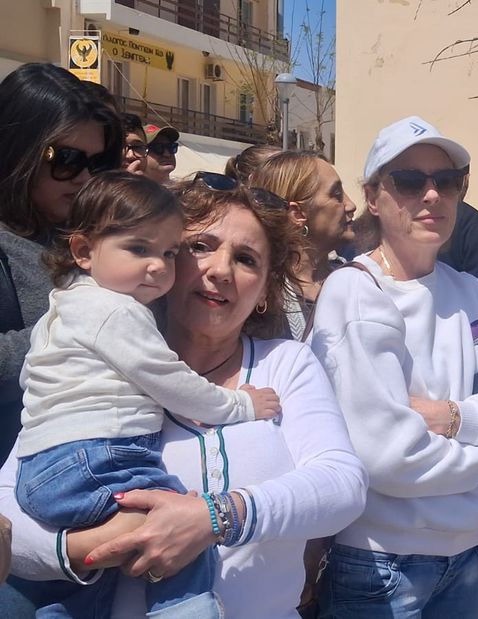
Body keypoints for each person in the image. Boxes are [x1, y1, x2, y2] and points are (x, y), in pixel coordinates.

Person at [0, 172, 367, 618]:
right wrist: (102, 544)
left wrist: (216, 517)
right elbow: (10, 506)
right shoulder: (92, 363)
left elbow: (342, 485)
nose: (220, 270)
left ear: (264, 290)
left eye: (246, 259)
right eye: (200, 247)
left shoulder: (285, 364)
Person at [308, 115, 478, 618]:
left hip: (470, 553)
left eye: (448, 181)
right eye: (410, 180)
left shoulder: (473, 292)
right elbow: (388, 457)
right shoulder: (356, 291)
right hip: (382, 562)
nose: (432, 195)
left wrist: (454, 417)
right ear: (374, 197)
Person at [0, 63, 122, 461]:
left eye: (98, 162)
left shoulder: (92, 232)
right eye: (67, 159)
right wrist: (88, 325)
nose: (84, 177)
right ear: (18, 150)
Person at [247, 150, 356, 340]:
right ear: (297, 214)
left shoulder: (357, 280)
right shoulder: (262, 303)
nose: (351, 205)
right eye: (337, 195)